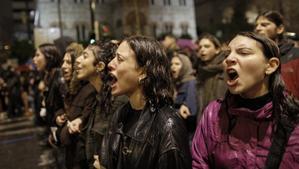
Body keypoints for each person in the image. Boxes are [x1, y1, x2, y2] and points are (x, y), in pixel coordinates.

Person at [192, 32, 299, 169]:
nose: (229, 59)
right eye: (227, 54)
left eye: (243, 53)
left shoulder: (292, 118)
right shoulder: (214, 113)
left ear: (271, 65)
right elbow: (199, 163)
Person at [100, 36, 191, 169]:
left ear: (143, 71)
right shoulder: (120, 114)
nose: (110, 64)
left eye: (120, 59)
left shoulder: (168, 126)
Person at [33, 43, 66, 167]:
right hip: (55, 132)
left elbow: (66, 106)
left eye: (37, 55)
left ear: (49, 57)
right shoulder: (48, 76)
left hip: (63, 135)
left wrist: (58, 132)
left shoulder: (59, 76)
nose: (34, 59)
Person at [255, 10, 299, 98]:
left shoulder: (296, 55)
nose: (258, 28)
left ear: (279, 29)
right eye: (257, 25)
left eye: (264, 25)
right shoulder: (256, 56)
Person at [195, 33, 226, 119]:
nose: (202, 50)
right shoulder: (200, 70)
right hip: (204, 120)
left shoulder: (226, 68)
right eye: (200, 47)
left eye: (207, 46)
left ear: (217, 49)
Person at [171, 53, 198, 132]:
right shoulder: (176, 83)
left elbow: (190, 112)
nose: (173, 66)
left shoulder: (191, 83)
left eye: (177, 64)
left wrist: (174, 112)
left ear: (185, 66)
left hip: (187, 132)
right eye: (171, 64)